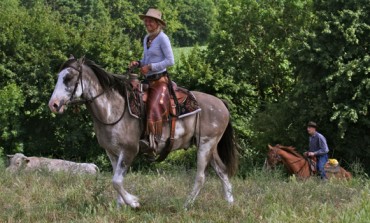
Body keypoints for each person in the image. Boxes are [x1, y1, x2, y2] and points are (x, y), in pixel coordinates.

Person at [130, 8, 175, 158]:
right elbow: (146, 59)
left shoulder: (163, 38)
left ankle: (153, 143)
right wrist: (138, 63)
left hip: (160, 80)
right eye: (146, 20)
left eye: (150, 21)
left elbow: (170, 61)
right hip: (148, 80)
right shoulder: (147, 38)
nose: (147, 23)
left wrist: (150, 67)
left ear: (157, 23)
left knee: (153, 106)